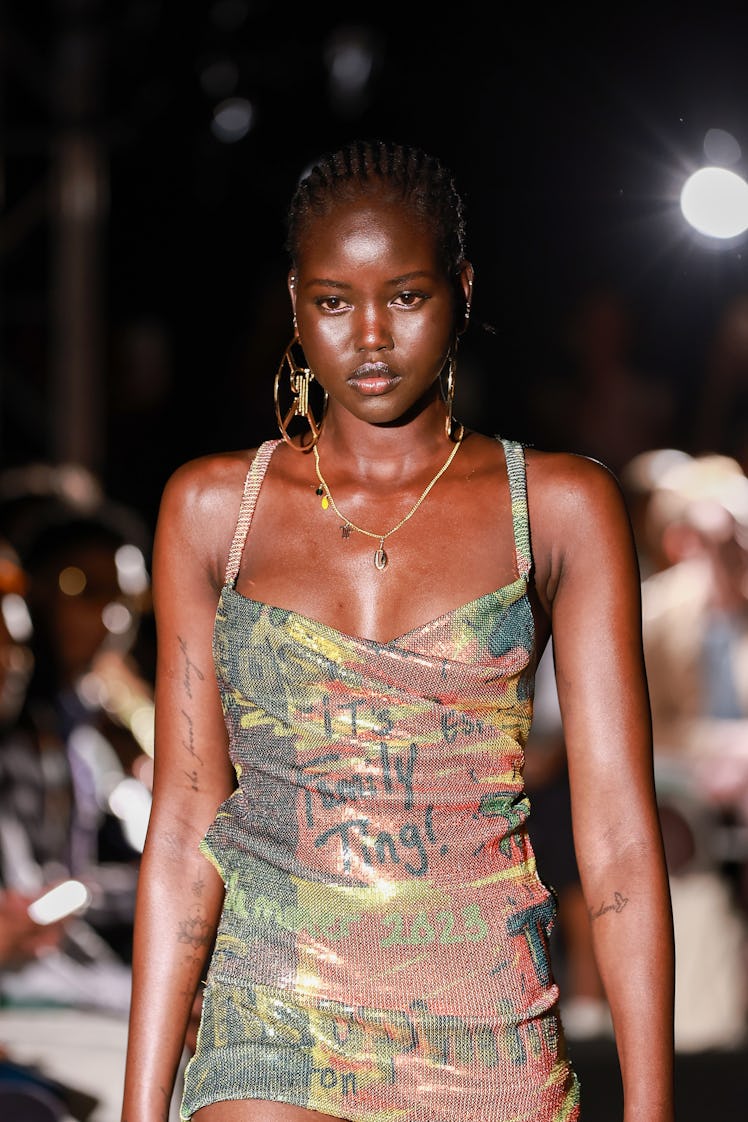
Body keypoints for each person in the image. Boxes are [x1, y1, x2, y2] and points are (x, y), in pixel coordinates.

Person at [121, 139, 675, 1122]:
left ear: (460, 291)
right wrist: (139, 1107)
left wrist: (651, 1109)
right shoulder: (212, 509)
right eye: (333, 301)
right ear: (295, 301)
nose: (368, 337)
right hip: (270, 1010)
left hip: (486, 1022)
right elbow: (183, 823)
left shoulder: (557, 505)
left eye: (405, 297)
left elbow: (620, 839)